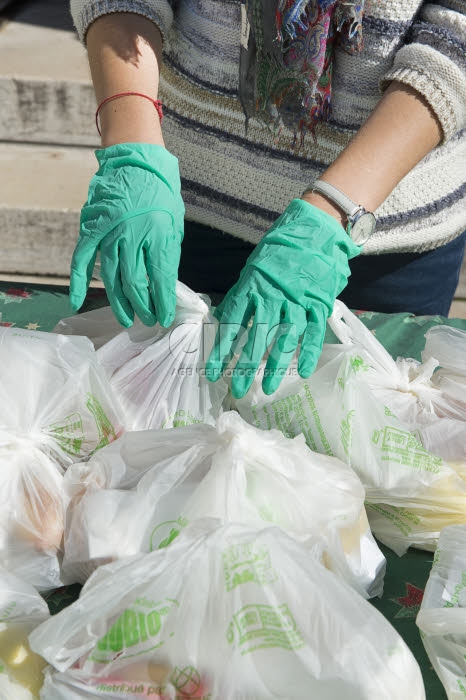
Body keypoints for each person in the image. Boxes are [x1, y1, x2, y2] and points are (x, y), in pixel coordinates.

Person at [69, 0, 466, 398]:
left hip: (377, 240)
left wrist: (334, 211)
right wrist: (132, 145)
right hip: (180, 207)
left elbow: (457, 36)